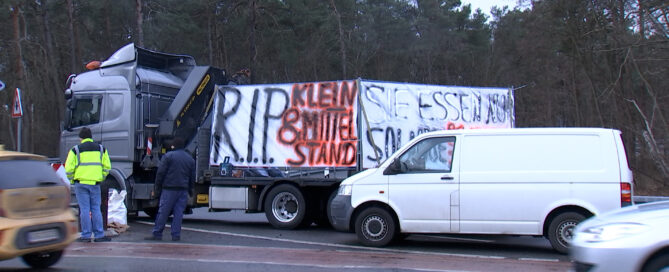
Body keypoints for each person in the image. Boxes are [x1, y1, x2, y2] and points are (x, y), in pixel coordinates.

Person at [65, 127, 112, 242]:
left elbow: (68, 169)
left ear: (80, 138)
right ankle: (99, 235)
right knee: (96, 208)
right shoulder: (101, 149)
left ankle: (86, 235)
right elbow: (107, 167)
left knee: (84, 209)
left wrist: (72, 180)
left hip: (81, 183)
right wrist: (101, 177)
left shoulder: (75, 150)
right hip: (95, 183)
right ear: (91, 137)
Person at [145, 137, 195, 242]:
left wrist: (157, 189)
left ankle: (157, 233)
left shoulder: (168, 156)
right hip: (183, 190)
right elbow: (192, 176)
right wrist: (191, 190)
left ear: (174, 146)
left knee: (163, 212)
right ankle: (176, 235)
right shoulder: (189, 159)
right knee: (178, 213)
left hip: (169, 189)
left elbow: (160, 174)